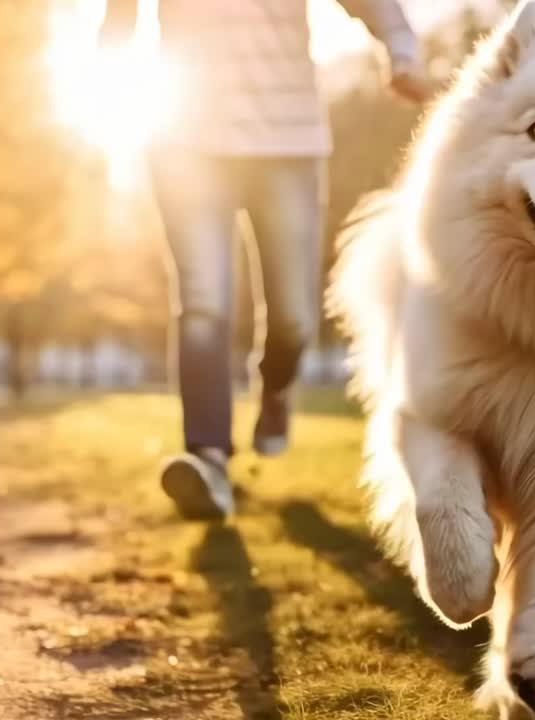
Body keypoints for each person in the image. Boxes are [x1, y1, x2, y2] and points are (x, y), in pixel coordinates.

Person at [97, 0, 430, 519]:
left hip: (287, 142)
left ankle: (276, 390)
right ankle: (208, 456)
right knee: (204, 300)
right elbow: (118, 21)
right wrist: (112, 80)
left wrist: (401, 49)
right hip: (185, 140)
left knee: (294, 316)